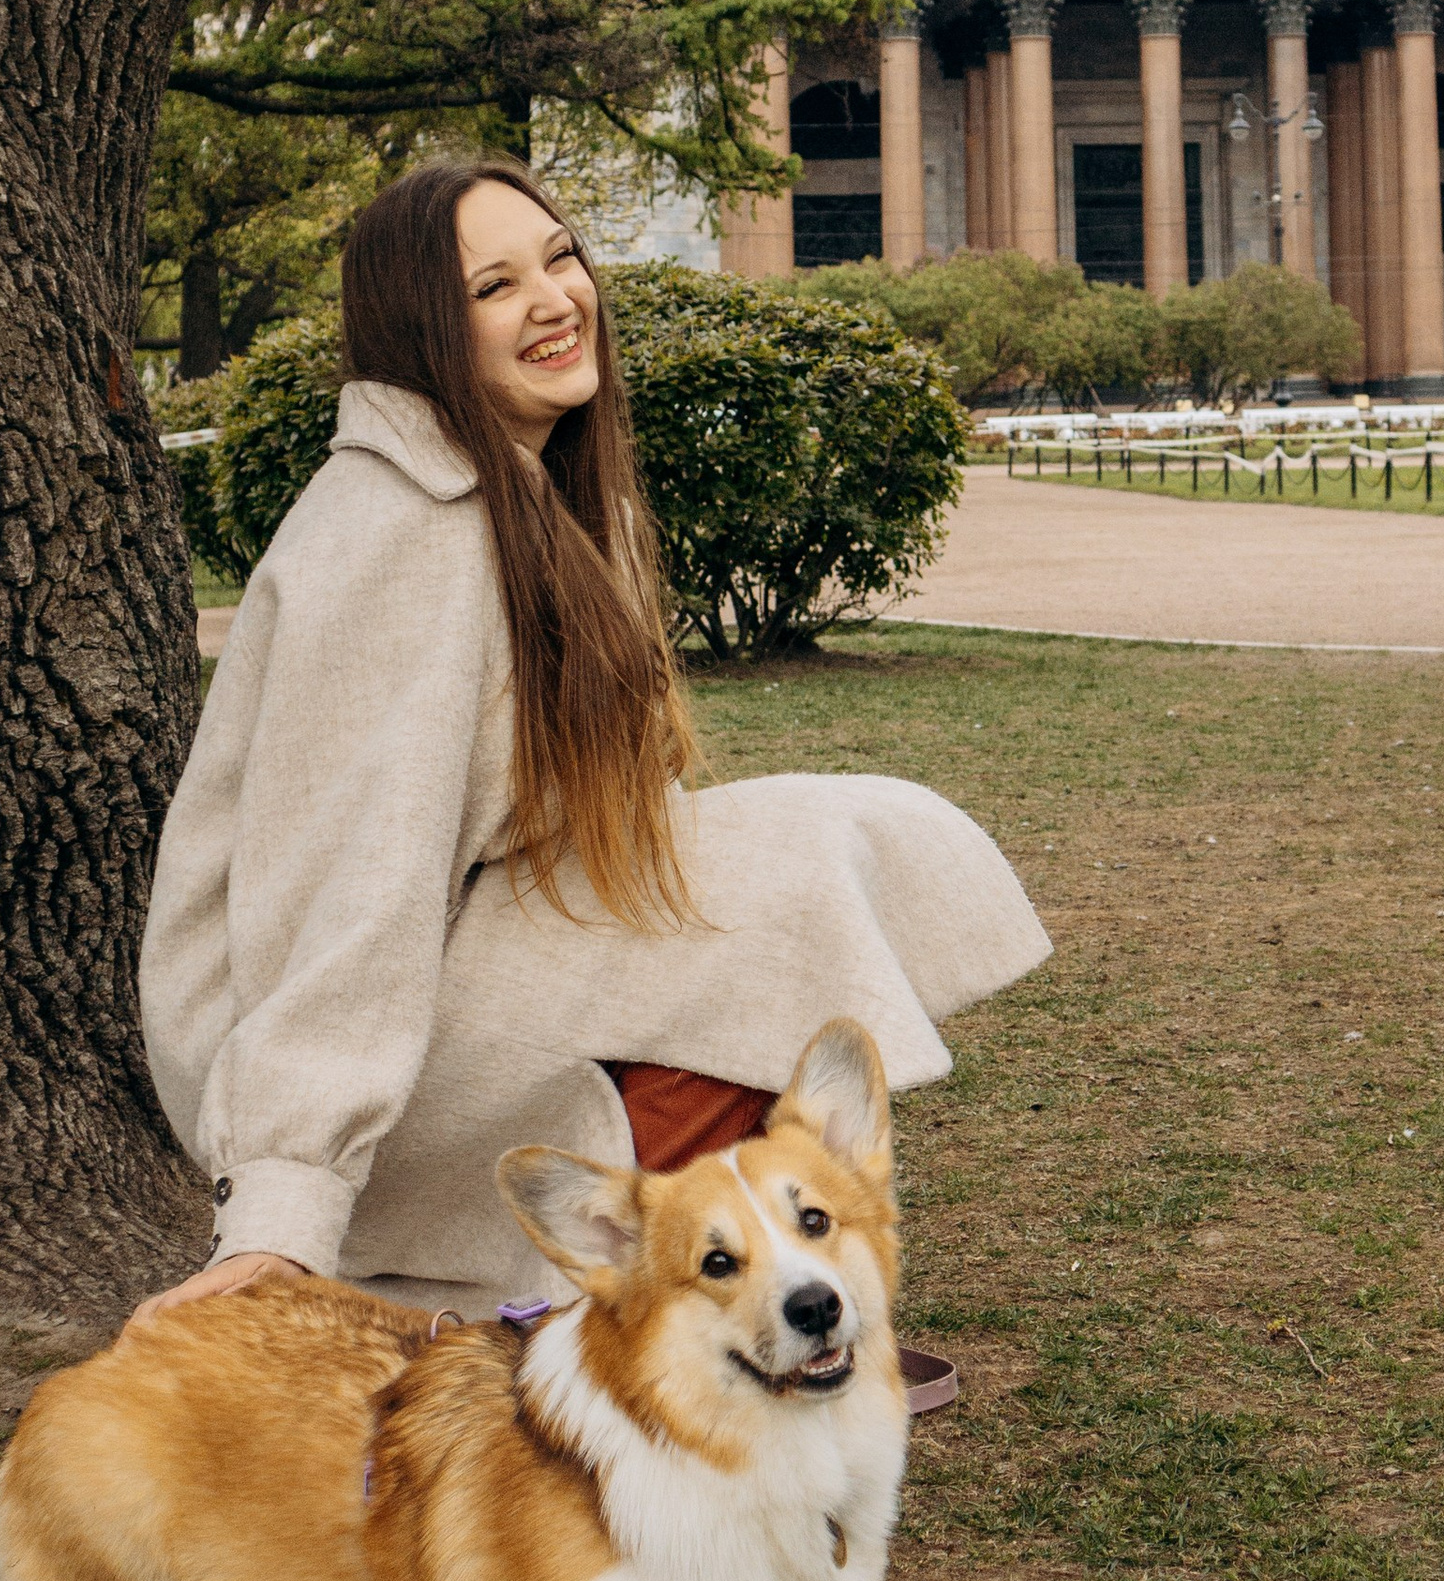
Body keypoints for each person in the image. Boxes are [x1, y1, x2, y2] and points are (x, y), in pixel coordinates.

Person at [135, 160, 1048, 1320]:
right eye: (494, 286)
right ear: (424, 329)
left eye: (561, 258)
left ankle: (669, 1294)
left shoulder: (544, 497)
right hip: (330, 1046)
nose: (556, 299)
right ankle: (583, 1298)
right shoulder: (397, 533)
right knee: (794, 873)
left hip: (463, 955)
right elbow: (342, 893)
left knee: (827, 842)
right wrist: (282, 1203)